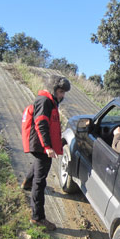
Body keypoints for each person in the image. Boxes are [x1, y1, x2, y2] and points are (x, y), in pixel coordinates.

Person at [21, 75, 71, 229]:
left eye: (63, 93)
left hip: (40, 145)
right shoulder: (44, 102)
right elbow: (41, 124)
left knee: (37, 167)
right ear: (53, 89)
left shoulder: (49, 101)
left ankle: (27, 182)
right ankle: (37, 217)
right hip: (41, 146)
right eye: (61, 92)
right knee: (40, 181)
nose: (62, 95)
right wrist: (48, 147)